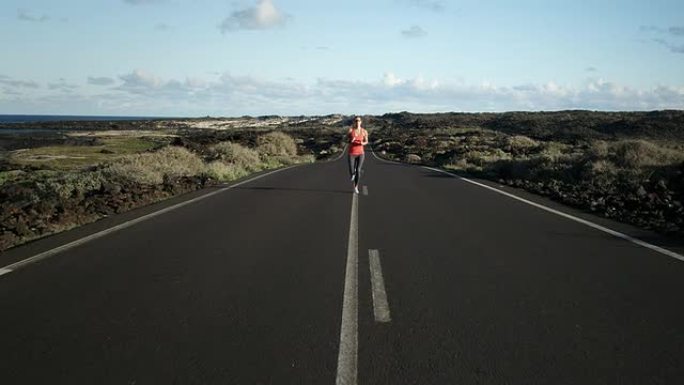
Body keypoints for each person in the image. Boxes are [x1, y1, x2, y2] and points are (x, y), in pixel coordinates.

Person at [348, 116, 369, 194]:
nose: (357, 122)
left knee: (358, 170)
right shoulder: (351, 131)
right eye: (356, 121)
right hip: (352, 153)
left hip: (360, 153)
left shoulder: (364, 131)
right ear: (354, 122)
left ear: (361, 122)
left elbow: (366, 141)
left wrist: (362, 143)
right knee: (352, 171)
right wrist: (351, 140)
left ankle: (356, 187)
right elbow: (348, 141)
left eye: (359, 120)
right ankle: (353, 173)